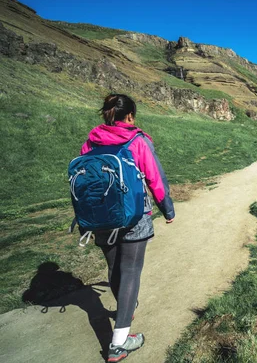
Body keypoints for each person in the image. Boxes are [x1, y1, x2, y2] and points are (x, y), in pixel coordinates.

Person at [80, 93, 175, 362]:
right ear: (130, 116)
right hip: (134, 215)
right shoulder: (138, 140)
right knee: (131, 271)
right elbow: (155, 177)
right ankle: (119, 343)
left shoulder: (91, 141)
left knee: (114, 268)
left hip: (100, 217)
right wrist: (167, 209)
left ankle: (125, 309)